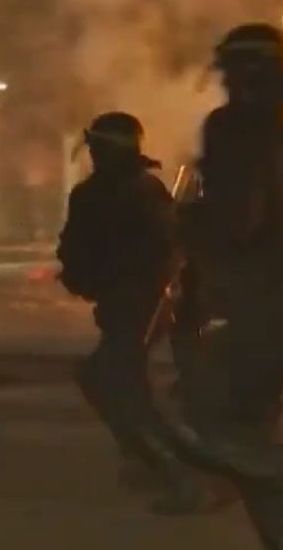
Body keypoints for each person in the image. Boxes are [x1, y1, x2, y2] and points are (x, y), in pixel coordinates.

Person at [172, 22, 283, 550]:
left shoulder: (235, 129)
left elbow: (238, 221)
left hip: (254, 297)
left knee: (202, 417)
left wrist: (183, 222)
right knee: (246, 418)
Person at [56, 112, 221, 516]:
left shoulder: (128, 193)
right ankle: (156, 459)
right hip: (130, 304)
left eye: (96, 147)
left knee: (118, 386)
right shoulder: (134, 190)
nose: (92, 154)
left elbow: (164, 254)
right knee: (114, 382)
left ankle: (181, 476)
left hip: (138, 304)